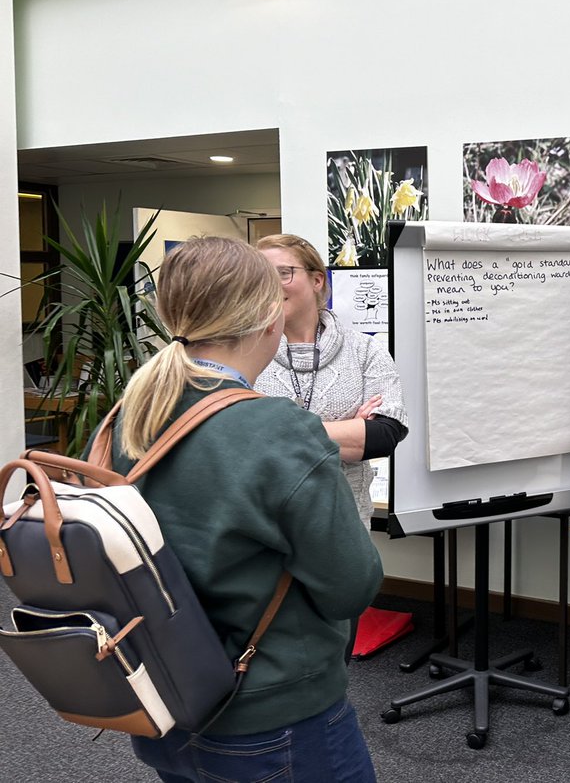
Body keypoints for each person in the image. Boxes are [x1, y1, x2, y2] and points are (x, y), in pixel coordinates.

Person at [102, 236, 382, 782]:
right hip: (271, 717)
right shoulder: (275, 431)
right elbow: (352, 587)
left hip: (162, 701)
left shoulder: (128, 415)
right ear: (267, 319)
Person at [255, 233, 408, 528]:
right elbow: (238, 440)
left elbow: (384, 435)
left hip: (344, 523)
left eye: (283, 273)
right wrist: (349, 429)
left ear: (317, 280)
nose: (270, 286)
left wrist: (275, 434)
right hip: (268, 527)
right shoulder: (244, 351)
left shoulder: (364, 350)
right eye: (260, 276)